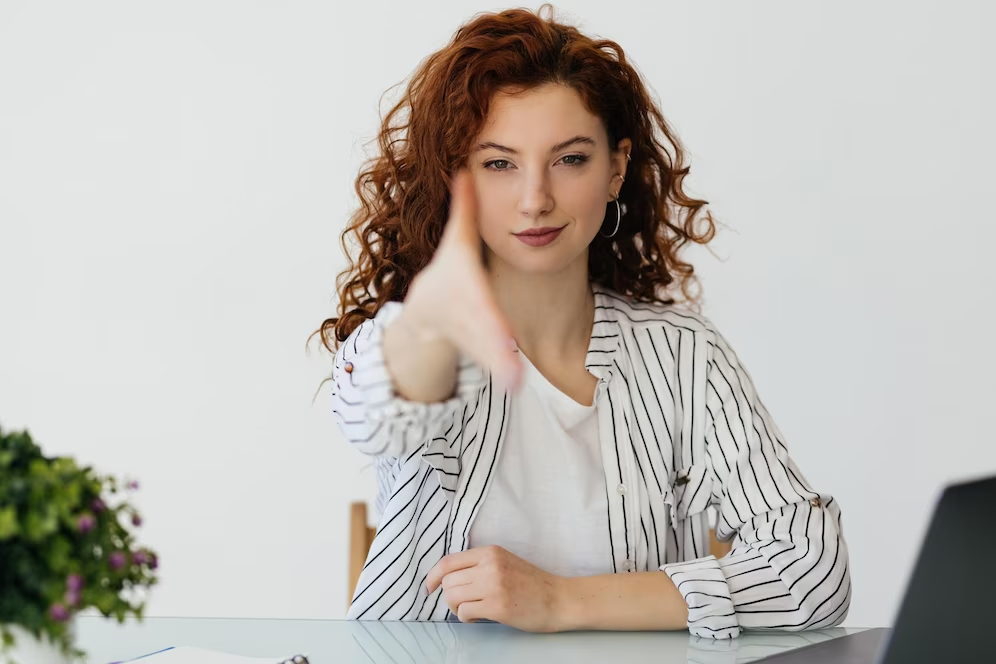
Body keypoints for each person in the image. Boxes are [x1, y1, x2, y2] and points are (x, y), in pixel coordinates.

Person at [314, 5, 850, 639]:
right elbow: (380, 408)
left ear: (616, 169)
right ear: (456, 179)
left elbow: (813, 572)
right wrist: (431, 317)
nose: (535, 197)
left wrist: (560, 602)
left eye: (569, 160)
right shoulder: (427, 342)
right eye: (498, 164)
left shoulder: (684, 358)